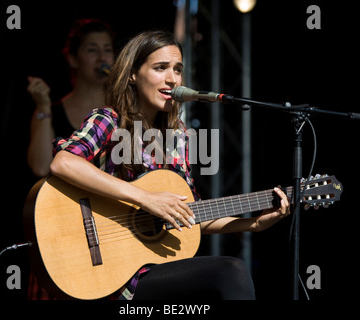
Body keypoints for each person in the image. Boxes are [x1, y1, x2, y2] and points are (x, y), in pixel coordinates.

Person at [48, 30, 290, 300]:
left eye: (177, 69)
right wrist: (145, 198)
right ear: (133, 74)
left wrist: (252, 224)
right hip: (112, 272)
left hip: (156, 269)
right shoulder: (109, 120)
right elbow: (64, 163)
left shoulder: (179, 137)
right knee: (230, 271)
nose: (172, 78)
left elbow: (189, 214)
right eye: (160, 68)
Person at [26, 18, 115, 177]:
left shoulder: (123, 109)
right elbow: (40, 168)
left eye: (108, 50)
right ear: (73, 59)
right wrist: (43, 108)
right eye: (92, 50)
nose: (103, 58)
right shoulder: (52, 112)